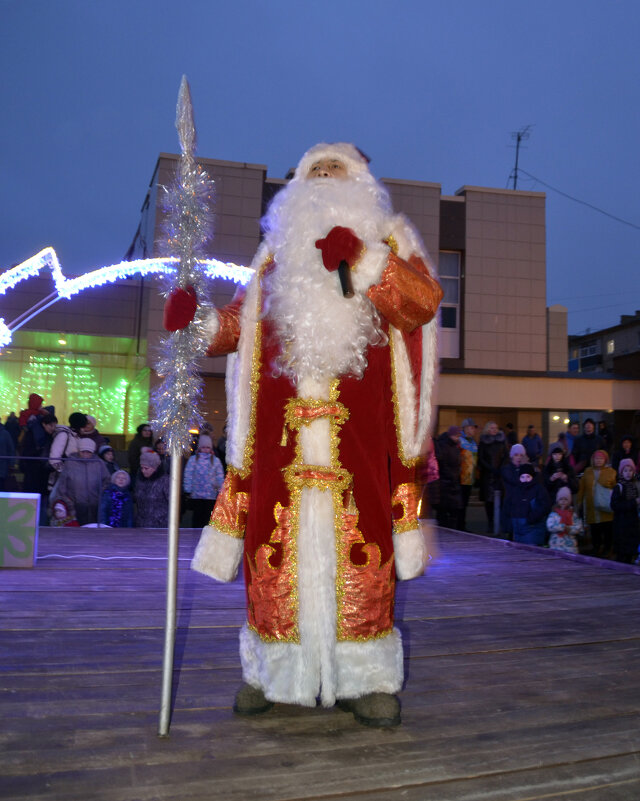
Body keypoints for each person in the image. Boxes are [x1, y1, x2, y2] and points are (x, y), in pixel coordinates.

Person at [166, 142, 443, 727]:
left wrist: (366, 262)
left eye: (332, 168)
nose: (321, 176)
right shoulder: (274, 256)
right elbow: (240, 325)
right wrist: (199, 321)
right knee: (275, 547)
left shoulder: (389, 238)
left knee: (361, 546)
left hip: (361, 442)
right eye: (312, 170)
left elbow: (421, 305)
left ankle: (366, 679)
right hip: (280, 443)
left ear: (360, 181)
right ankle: (273, 672)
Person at [52, 438, 111, 525]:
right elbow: (62, 486)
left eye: (89, 452)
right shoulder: (70, 463)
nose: (85, 454)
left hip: (95, 507)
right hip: (74, 507)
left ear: (93, 452)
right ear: (78, 450)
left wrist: (100, 494)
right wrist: (69, 503)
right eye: (83, 451)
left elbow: (107, 480)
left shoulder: (99, 463)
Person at [576, 450, 617, 557]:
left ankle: (608, 549)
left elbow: (615, 487)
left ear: (605, 460)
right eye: (596, 458)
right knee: (595, 530)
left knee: (607, 529)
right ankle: (596, 548)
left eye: (601, 459)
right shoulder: (588, 471)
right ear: (593, 460)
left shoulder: (611, 471)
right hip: (592, 507)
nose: (598, 461)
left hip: (606, 507)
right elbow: (582, 488)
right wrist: (579, 502)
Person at [19, 412, 57, 523]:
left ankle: (30, 523)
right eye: (51, 425)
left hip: (36, 473)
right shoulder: (40, 436)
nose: (53, 428)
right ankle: (36, 524)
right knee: (38, 501)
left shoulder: (36, 433)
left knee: (35, 501)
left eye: (55, 425)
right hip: (37, 473)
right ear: (44, 424)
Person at [183, 434, 225, 528]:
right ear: (199, 448)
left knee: (208, 517)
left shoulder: (215, 461)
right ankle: (195, 533)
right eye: (203, 447)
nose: (205, 449)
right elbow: (188, 474)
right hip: (196, 494)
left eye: (207, 447)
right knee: (197, 516)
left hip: (210, 495)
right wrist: (188, 489)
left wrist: (220, 490)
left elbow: (219, 475)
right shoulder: (193, 460)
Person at [508, 464, 550, 546]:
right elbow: (508, 507)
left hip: (532, 529)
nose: (525, 480)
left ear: (532, 477)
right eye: (522, 477)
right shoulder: (515, 490)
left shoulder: (539, 489)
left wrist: (531, 519)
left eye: (528, 476)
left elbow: (544, 506)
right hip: (517, 530)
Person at [477, 421, 508, 533]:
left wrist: (501, 468)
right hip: (488, 475)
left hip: (499, 475)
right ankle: (490, 522)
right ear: (487, 429)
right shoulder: (484, 442)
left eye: (496, 428)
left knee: (501, 499)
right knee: (489, 501)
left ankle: (499, 523)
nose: (494, 430)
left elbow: (505, 455)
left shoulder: (502, 441)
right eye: (492, 428)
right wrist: (490, 468)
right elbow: (481, 458)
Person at [610, 458, 640, 564]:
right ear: (621, 472)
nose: (628, 473)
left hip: (632, 523)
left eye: (630, 470)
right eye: (625, 470)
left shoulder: (634, 486)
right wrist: (634, 502)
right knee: (622, 554)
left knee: (630, 552)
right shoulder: (619, 487)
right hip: (621, 524)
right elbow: (614, 505)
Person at [433, 426, 462, 529]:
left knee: (453, 508)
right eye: (456, 435)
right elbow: (443, 463)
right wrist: (450, 475)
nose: (458, 437)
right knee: (444, 509)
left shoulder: (455, 446)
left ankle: (451, 528)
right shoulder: (444, 446)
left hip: (452, 480)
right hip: (445, 481)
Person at [134, 450, 170, 527]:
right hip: (141, 524)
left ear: (155, 468)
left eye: (146, 468)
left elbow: (173, 503)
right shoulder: (140, 480)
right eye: (142, 468)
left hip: (160, 525)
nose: (143, 471)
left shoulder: (165, 481)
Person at [500, 443, 529, 539]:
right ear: (512, 456)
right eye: (516, 455)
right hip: (511, 502)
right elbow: (514, 481)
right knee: (512, 532)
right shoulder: (507, 469)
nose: (519, 458)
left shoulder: (526, 468)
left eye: (521, 455)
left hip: (523, 503)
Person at [546, 487, 583, 554]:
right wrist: (563, 527)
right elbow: (550, 526)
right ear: (557, 501)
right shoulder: (554, 514)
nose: (563, 501)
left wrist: (569, 528)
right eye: (561, 499)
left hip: (570, 546)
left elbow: (578, 527)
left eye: (565, 499)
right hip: (556, 545)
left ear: (569, 501)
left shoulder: (573, 514)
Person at [457, 418, 478, 531]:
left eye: (474, 427)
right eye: (471, 427)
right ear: (465, 428)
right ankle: (459, 525)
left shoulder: (473, 442)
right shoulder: (460, 441)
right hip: (461, 478)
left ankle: (462, 525)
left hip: (469, 479)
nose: (473, 429)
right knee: (460, 503)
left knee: (464, 503)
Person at [0, 419, 16, 492]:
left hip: (2, 467)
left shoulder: (5, 433)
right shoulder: (5, 434)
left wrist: (11, 464)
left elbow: (11, 449)